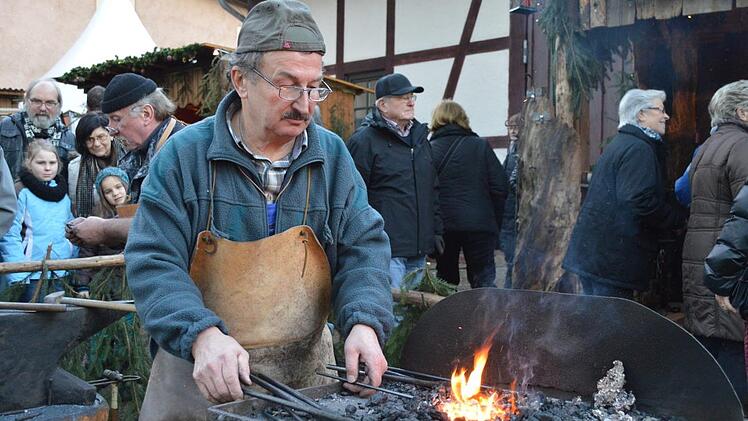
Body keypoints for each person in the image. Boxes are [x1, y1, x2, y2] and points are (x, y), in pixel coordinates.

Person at [124, 1, 393, 418]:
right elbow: (153, 260)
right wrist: (200, 333)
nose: (304, 105)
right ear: (240, 80)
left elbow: (364, 248)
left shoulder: (332, 157)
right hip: (199, 373)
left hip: (305, 379)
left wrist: (363, 321)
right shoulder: (184, 157)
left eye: (314, 87)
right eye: (287, 85)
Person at [563, 89, 686, 299]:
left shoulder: (621, 143)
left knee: (597, 322)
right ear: (641, 115)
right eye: (660, 110)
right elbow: (638, 200)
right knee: (611, 326)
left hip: (596, 257)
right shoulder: (638, 148)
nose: (666, 116)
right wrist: (676, 219)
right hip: (612, 260)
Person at [682, 80, 748, 405]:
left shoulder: (706, 148)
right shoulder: (743, 147)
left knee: (712, 351)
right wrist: (727, 276)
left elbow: (683, 194)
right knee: (735, 354)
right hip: (728, 269)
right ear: (742, 112)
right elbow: (745, 217)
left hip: (705, 263)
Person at [65, 73, 184, 248]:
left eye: (116, 119)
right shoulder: (135, 154)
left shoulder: (183, 151)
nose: (111, 130)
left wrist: (103, 229)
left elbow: (166, 227)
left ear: (146, 114)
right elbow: (137, 218)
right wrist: (93, 227)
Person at [347, 73, 443, 288]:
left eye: (412, 97)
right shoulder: (364, 142)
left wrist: (436, 231)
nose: (410, 102)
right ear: (382, 105)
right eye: (402, 97)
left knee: (412, 313)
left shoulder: (419, 141)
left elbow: (432, 190)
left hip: (418, 249)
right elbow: (352, 196)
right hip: (385, 249)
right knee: (391, 314)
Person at [429, 99, 507, 288]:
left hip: (445, 226)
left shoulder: (429, 150)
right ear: (463, 118)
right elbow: (501, 187)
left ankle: (448, 317)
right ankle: (485, 317)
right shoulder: (480, 146)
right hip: (479, 224)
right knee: (483, 281)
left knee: (445, 280)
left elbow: (425, 192)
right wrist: (494, 222)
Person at [0, 140, 75, 302]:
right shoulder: (21, 192)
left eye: (52, 162)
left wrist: (73, 261)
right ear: (29, 163)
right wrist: (18, 274)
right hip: (31, 271)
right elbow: (10, 234)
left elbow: (70, 228)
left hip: (61, 269)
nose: (48, 168)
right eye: (41, 163)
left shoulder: (62, 193)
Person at [71, 167, 130, 298]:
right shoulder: (98, 217)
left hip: (133, 278)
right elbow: (87, 252)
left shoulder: (136, 211)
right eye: (108, 191)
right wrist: (83, 284)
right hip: (107, 279)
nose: (115, 193)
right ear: (103, 195)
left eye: (118, 187)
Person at [0, 79, 75, 181]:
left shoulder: (68, 138)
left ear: (59, 106)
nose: (43, 108)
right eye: (37, 101)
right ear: (26, 102)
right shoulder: (7, 126)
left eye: (50, 103)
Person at [68, 112, 126, 217]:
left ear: (111, 135)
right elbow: (75, 204)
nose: (96, 144)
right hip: (95, 226)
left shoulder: (129, 157)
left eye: (101, 137)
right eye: (90, 139)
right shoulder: (75, 168)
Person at [500, 112, 522, 288]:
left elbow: (513, 182)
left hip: (516, 212)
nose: (513, 131)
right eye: (511, 127)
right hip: (508, 211)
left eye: (517, 127)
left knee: (513, 260)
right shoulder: (512, 149)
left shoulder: (521, 151)